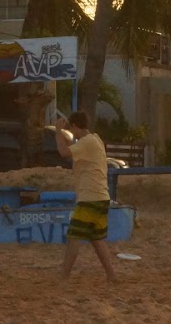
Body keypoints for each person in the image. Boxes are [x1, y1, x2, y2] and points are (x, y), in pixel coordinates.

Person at [54, 111, 116, 283]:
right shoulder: (94, 139)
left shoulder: (87, 142)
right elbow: (73, 149)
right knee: (96, 238)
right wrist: (64, 135)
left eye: (71, 129)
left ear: (75, 126)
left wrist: (57, 131)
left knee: (74, 236)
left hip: (90, 197)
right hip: (101, 196)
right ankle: (111, 275)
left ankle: (64, 277)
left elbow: (63, 152)